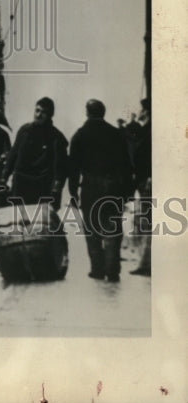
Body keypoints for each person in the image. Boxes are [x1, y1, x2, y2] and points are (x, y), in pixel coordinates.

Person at [68, 99, 134, 283]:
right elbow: (127, 165)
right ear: (103, 113)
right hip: (114, 187)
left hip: (90, 187)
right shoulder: (116, 134)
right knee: (112, 228)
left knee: (92, 229)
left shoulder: (80, 135)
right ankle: (112, 270)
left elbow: (73, 167)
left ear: (87, 113)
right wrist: (128, 190)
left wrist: (72, 191)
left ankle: (97, 269)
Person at [2, 97, 68, 209]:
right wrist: (4, 176)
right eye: (37, 110)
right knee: (19, 220)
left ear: (50, 115)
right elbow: (14, 154)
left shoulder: (56, 137)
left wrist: (57, 184)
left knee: (40, 223)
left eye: (43, 112)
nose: (38, 115)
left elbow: (61, 164)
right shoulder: (24, 131)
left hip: (42, 186)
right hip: (21, 184)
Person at [130, 97, 152, 276]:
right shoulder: (146, 130)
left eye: (143, 110)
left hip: (147, 182)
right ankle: (146, 262)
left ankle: (147, 264)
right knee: (147, 221)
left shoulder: (149, 131)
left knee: (148, 222)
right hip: (144, 181)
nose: (141, 112)